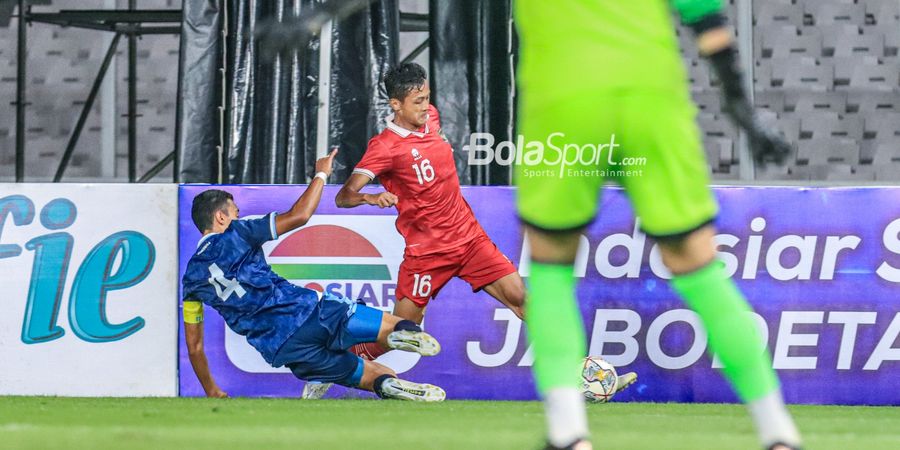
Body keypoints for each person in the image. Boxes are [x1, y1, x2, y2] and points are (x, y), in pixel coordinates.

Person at [514, 1, 801, 449]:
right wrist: (739, 104)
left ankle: (569, 433)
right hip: (651, 101)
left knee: (550, 267)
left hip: (565, 101)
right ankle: (777, 433)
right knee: (700, 269)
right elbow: (707, 21)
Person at [181, 149, 445, 402]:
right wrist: (321, 174)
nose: (238, 215)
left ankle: (387, 384)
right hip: (305, 311)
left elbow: (194, 347)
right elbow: (300, 215)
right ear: (220, 217)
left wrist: (213, 391)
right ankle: (399, 334)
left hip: (280, 348)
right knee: (391, 324)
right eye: (235, 211)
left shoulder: (192, 281)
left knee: (370, 376)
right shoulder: (236, 232)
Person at [335, 63, 527, 358]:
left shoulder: (431, 119)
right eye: (418, 102)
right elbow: (344, 197)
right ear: (396, 105)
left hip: (470, 240)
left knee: (520, 298)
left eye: (427, 98)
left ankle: (577, 373)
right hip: (427, 254)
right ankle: (340, 360)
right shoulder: (385, 147)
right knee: (402, 331)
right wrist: (371, 199)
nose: (426, 107)